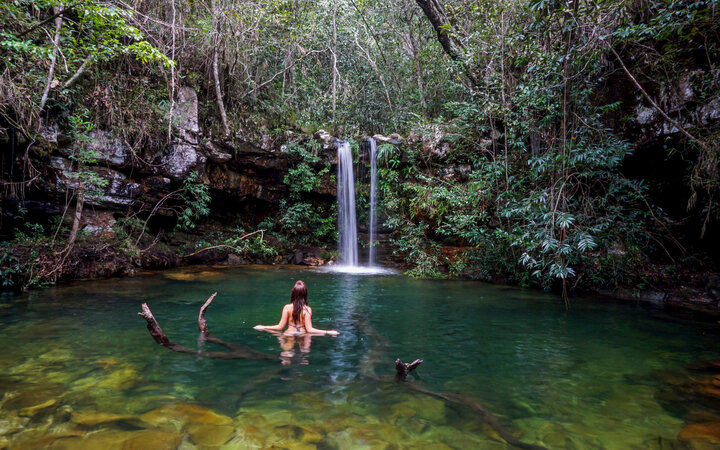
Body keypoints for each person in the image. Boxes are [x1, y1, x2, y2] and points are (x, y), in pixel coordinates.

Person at [253, 280, 339, 336]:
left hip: (289, 334)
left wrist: (263, 327)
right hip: (302, 334)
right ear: (305, 294)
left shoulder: (287, 307)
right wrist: (328, 332)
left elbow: (280, 327)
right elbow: (310, 330)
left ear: (293, 293)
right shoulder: (307, 309)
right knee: (304, 357)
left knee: (286, 356)